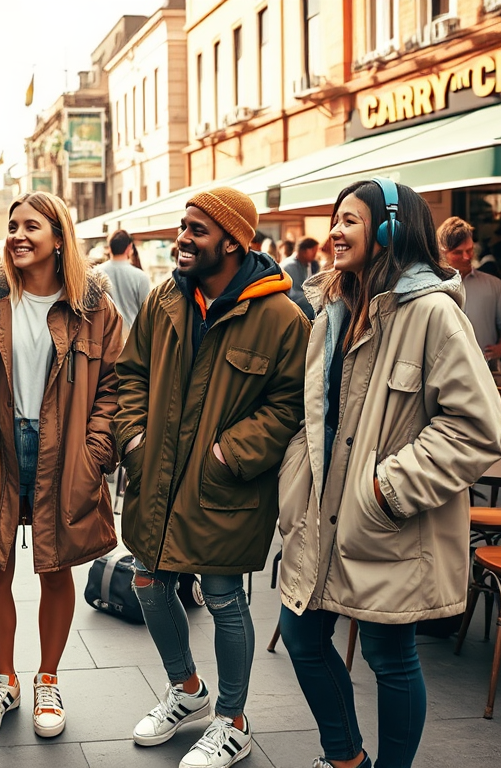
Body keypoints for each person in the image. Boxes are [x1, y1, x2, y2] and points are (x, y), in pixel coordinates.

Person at [276, 179, 501, 768]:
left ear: (388, 230)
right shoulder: (330, 308)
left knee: (388, 653)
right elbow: (317, 413)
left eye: (349, 219)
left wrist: (387, 488)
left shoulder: (432, 313)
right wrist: (297, 480)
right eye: (335, 218)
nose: (334, 230)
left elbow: (477, 426)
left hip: (388, 517)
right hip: (323, 512)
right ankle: (346, 757)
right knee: (301, 635)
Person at [114, 186, 309, 768]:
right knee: (149, 580)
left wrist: (231, 453)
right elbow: (130, 375)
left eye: (197, 229)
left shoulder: (282, 318)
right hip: (157, 475)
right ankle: (186, 690)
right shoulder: (163, 300)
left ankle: (232, 719)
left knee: (224, 599)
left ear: (232, 240)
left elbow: (289, 404)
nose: (183, 237)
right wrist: (135, 439)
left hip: (225, 485)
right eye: (184, 225)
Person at [0, 191, 123, 740]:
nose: (18, 235)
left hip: (65, 449)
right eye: (14, 225)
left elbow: (115, 386)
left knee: (56, 564)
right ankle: (4, 680)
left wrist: (95, 452)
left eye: (32, 226)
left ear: (58, 237)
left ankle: (48, 679)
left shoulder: (94, 306)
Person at [436, 216, 501, 366]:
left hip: (485, 370)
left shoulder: (493, 284)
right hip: (442, 373)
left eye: (470, 250)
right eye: (458, 253)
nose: (466, 257)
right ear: (441, 252)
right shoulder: (431, 287)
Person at [97, 228, 151, 332]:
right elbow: (146, 315)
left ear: (109, 248)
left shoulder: (96, 273)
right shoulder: (141, 276)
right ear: (129, 248)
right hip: (131, 339)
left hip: (104, 339)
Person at [281, 237, 322, 320]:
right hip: (291, 308)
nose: (315, 255)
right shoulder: (290, 266)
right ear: (304, 252)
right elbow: (294, 295)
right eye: (313, 252)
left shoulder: (309, 264)